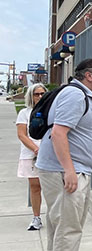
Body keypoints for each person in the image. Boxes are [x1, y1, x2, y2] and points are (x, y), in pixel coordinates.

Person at [37, 58, 92, 251]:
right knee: (69, 224)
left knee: (60, 222)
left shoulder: (83, 96)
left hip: (69, 168)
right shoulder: (76, 95)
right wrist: (69, 170)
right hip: (65, 171)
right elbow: (59, 133)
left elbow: (80, 131)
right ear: (89, 75)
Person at [17, 83, 47, 231]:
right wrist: (36, 149)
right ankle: (36, 217)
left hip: (49, 154)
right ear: (31, 96)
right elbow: (22, 135)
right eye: (37, 94)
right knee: (35, 187)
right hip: (31, 154)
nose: (40, 97)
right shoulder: (24, 113)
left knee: (53, 187)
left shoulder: (50, 112)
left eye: (42, 94)